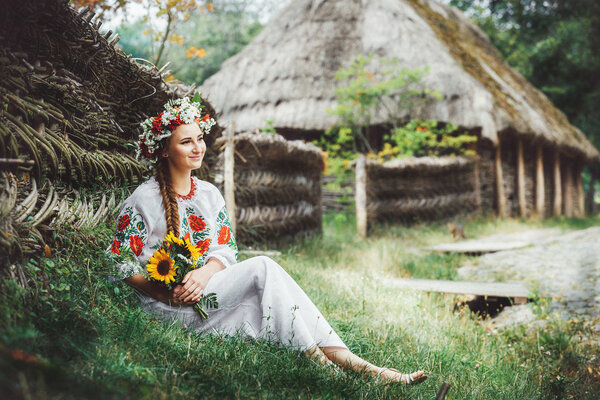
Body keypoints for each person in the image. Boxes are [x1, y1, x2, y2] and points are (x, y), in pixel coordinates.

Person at [106, 97, 427, 385]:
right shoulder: (145, 200)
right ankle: (328, 367)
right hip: (172, 307)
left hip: (209, 289)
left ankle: (362, 367)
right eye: (185, 142)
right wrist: (163, 292)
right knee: (263, 268)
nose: (197, 148)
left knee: (273, 300)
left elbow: (224, 248)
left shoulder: (209, 194)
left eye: (200, 139)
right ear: (164, 150)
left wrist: (203, 275)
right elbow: (116, 260)